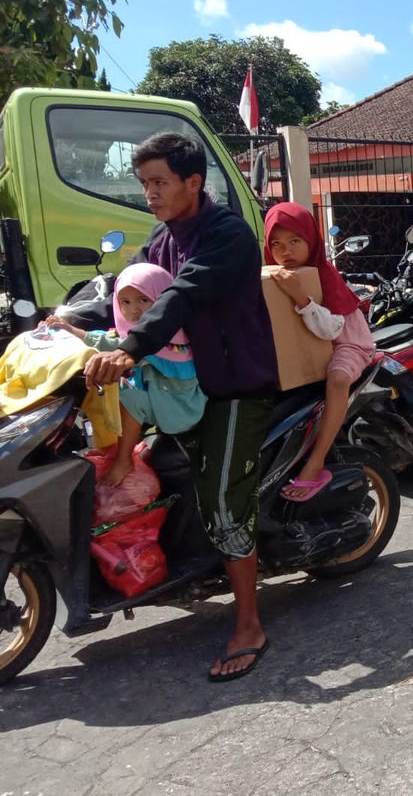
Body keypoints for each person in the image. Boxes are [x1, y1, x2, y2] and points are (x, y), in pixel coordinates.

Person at [83, 132, 279, 682]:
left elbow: (180, 296)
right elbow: (124, 290)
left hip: (235, 386)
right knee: (155, 471)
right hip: (181, 386)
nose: (149, 193)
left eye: (159, 182)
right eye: (143, 183)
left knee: (222, 500)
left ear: (193, 182)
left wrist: (129, 349)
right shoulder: (160, 238)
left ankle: (248, 625)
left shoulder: (228, 234)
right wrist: (67, 321)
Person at [46, 264, 206, 484]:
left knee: (128, 395)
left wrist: (133, 358)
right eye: (126, 302)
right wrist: (70, 330)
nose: (134, 310)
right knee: (110, 389)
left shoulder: (174, 338)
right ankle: (112, 448)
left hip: (181, 408)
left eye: (144, 300)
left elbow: (122, 348)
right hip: (161, 400)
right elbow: (108, 340)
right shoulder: (132, 335)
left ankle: (123, 460)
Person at [263, 203, 376, 500]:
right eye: (276, 243)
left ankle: (316, 461)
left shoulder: (323, 275)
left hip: (347, 343)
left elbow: (332, 330)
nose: (284, 250)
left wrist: (301, 296)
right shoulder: (269, 278)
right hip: (310, 351)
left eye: (294, 241)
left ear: (311, 242)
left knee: (337, 379)